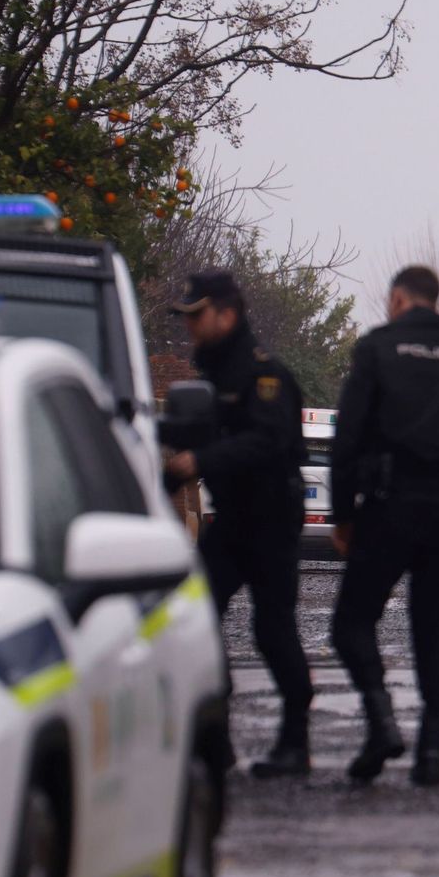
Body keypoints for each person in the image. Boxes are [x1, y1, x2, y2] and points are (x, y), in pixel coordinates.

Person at [328, 265, 439, 787]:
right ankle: (430, 754)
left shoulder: (377, 348)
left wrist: (343, 515)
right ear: (434, 299)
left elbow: (346, 438)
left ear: (398, 298)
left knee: (352, 622)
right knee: (431, 626)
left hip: (386, 505)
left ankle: (381, 725)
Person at [164, 272, 315, 778]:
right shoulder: (213, 371)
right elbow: (194, 428)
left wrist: (199, 460)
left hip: (271, 518)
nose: (190, 327)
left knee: (273, 630)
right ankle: (216, 740)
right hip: (230, 521)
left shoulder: (262, 374)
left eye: (197, 315)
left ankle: (295, 743)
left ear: (226, 314)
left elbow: (267, 444)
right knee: (199, 621)